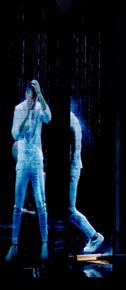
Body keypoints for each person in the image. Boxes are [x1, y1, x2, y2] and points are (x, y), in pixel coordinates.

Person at [6, 80, 51, 262]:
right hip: (23, 160)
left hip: (37, 160)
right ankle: (14, 245)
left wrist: (41, 95)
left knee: (41, 203)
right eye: (30, 96)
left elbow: (49, 117)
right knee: (17, 204)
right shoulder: (19, 109)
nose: (32, 100)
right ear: (25, 95)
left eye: (34, 96)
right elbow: (16, 134)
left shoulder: (40, 106)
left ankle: (45, 244)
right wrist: (27, 114)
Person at [68, 109, 105, 254]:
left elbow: (72, 152)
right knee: (65, 210)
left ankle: (95, 236)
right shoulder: (71, 120)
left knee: (69, 210)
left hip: (71, 169)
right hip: (71, 168)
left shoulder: (70, 122)